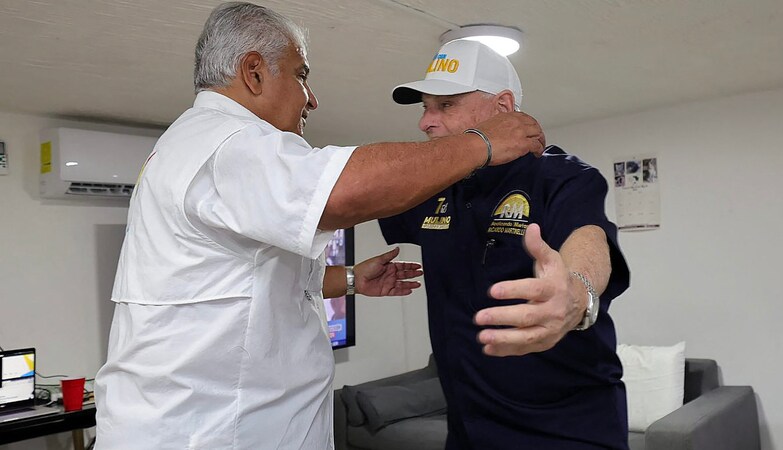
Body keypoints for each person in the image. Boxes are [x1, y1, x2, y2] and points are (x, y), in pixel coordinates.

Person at [93, 2, 545, 449]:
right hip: (211, 434)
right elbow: (344, 191)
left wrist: (350, 279)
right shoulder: (226, 144)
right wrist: (483, 142)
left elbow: (244, 284)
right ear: (254, 72)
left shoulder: (195, 144)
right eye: (301, 74)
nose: (311, 98)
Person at [379, 39, 631, 449]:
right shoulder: (438, 188)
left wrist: (576, 289)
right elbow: (352, 200)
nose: (426, 121)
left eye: (445, 105)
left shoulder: (562, 176)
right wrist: (347, 278)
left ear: (502, 107)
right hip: (467, 430)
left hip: (568, 431)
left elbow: (588, 238)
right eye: (425, 107)